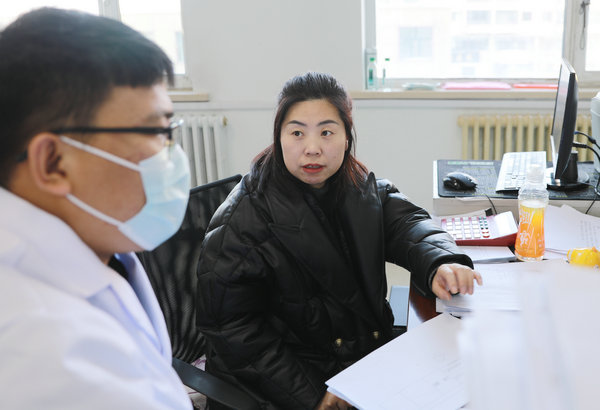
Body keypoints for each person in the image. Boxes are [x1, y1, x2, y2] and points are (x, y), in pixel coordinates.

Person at [196, 72, 482, 409]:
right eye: (297, 133)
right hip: (280, 388)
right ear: (279, 138)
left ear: (347, 137)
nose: (312, 148)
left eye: (327, 132)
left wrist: (440, 261)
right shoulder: (243, 220)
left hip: (355, 364)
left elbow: (406, 222)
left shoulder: (354, 185)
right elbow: (232, 330)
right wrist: (312, 395)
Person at [0, 8, 193, 409]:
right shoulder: (50, 354)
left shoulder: (100, 241)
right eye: (155, 131)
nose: (171, 155)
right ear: (53, 163)